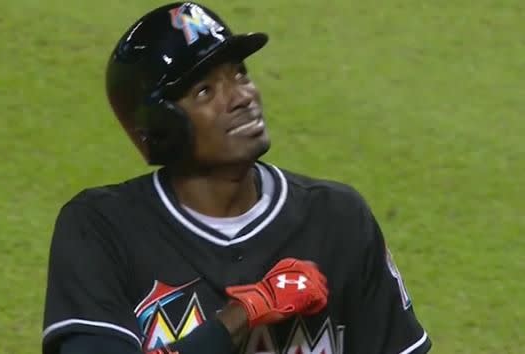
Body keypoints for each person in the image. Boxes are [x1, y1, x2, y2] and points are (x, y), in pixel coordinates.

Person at [42, 2, 432, 354]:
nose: (242, 96)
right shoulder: (102, 229)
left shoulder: (338, 219)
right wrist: (245, 313)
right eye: (206, 91)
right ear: (159, 127)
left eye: (240, 74)